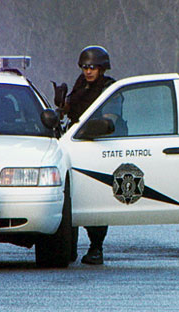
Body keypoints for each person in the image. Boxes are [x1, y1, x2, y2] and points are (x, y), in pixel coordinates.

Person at [55, 45, 115, 265]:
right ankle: (67, 247)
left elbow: (110, 119)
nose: (88, 71)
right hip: (76, 144)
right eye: (84, 67)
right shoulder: (81, 85)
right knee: (71, 199)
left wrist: (99, 126)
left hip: (100, 147)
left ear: (102, 68)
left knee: (94, 198)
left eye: (92, 67)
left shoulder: (109, 88)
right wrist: (62, 104)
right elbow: (69, 111)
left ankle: (96, 247)